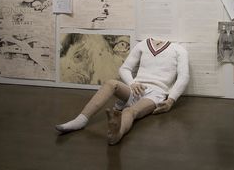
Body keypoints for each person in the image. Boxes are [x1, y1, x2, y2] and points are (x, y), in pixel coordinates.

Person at [55, 38, 189, 145]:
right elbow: (125, 68)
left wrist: (171, 100)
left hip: (156, 93)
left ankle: (117, 133)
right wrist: (132, 83)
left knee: (130, 111)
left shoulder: (179, 50)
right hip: (136, 88)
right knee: (111, 83)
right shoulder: (143, 44)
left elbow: (183, 77)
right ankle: (80, 120)